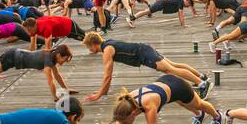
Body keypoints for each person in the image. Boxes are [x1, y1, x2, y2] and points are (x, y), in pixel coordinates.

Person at [81, 32, 209, 101]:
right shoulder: (107, 44)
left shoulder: (107, 50)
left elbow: (108, 75)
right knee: (173, 65)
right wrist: (103, 92)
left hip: (144, 54)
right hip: (144, 49)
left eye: (88, 46)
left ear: (93, 44)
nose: (88, 49)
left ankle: (202, 83)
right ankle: (202, 77)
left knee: (170, 69)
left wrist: (99, 94)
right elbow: (108, 76)